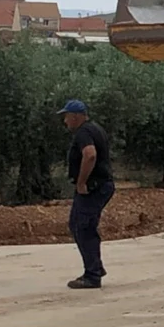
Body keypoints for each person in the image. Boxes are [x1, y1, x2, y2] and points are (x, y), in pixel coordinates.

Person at [59, 99, 113, 289]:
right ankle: (95, 266)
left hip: (93, 187)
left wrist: (82, 182)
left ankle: (92, 275)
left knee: (82, 227)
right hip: (100, 185)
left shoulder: (83, 132)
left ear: (76, 116)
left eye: (66, 117)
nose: (65, 121)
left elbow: (90, 155)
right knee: (82, 225)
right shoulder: (94, 128)